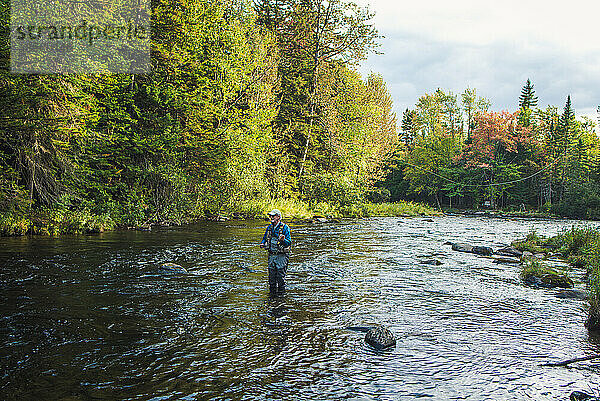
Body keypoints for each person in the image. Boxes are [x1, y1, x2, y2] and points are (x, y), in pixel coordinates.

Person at [259, 209, 291, 295]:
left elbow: (289, 243)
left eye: (273, 216)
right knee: (271, 279)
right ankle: (272, 297)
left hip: (282, 256)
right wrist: (262, 244)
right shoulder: (269, 228)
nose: (271, 217)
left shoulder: (285, 228)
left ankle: (281, 298)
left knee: (280, 278)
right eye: (270, 216)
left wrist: (283, 240)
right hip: (272, 256)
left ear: (279, 217)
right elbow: (265, 238)